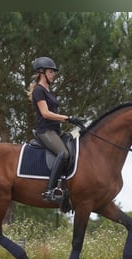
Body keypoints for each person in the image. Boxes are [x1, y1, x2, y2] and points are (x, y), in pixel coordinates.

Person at [27, 56, 84, 201]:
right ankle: (50, 190)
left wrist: (76, 123)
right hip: (45, 131)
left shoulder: (49, 91)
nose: (54, 75)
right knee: (63, 153)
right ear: (42, 72)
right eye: (51, 72)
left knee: (75, 143)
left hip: (56, 131)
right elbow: (45, 113)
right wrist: (69, 118)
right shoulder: (39, 91)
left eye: (54, 72)